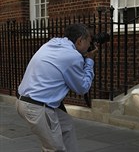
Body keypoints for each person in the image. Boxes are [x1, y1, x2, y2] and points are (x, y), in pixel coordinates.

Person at [16, 23, 98, 152]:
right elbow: (82, 88)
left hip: (25, 101)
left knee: (66, 125)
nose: (90, 45)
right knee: (55, 148)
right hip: (37, 107)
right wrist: (90, 61)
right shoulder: (72, 56)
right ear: (79, 41)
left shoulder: (52, 43)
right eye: (89, 41)